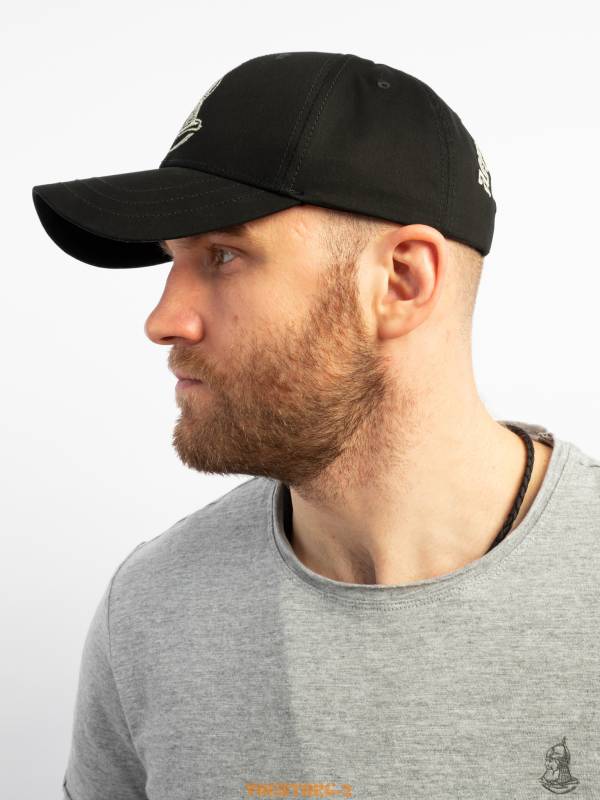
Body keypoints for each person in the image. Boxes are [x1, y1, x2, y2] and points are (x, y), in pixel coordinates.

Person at [32, 51, 599, 800]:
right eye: (173, 260)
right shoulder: (150, 610)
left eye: (223, 255)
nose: (163, 319)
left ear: (402, 281)